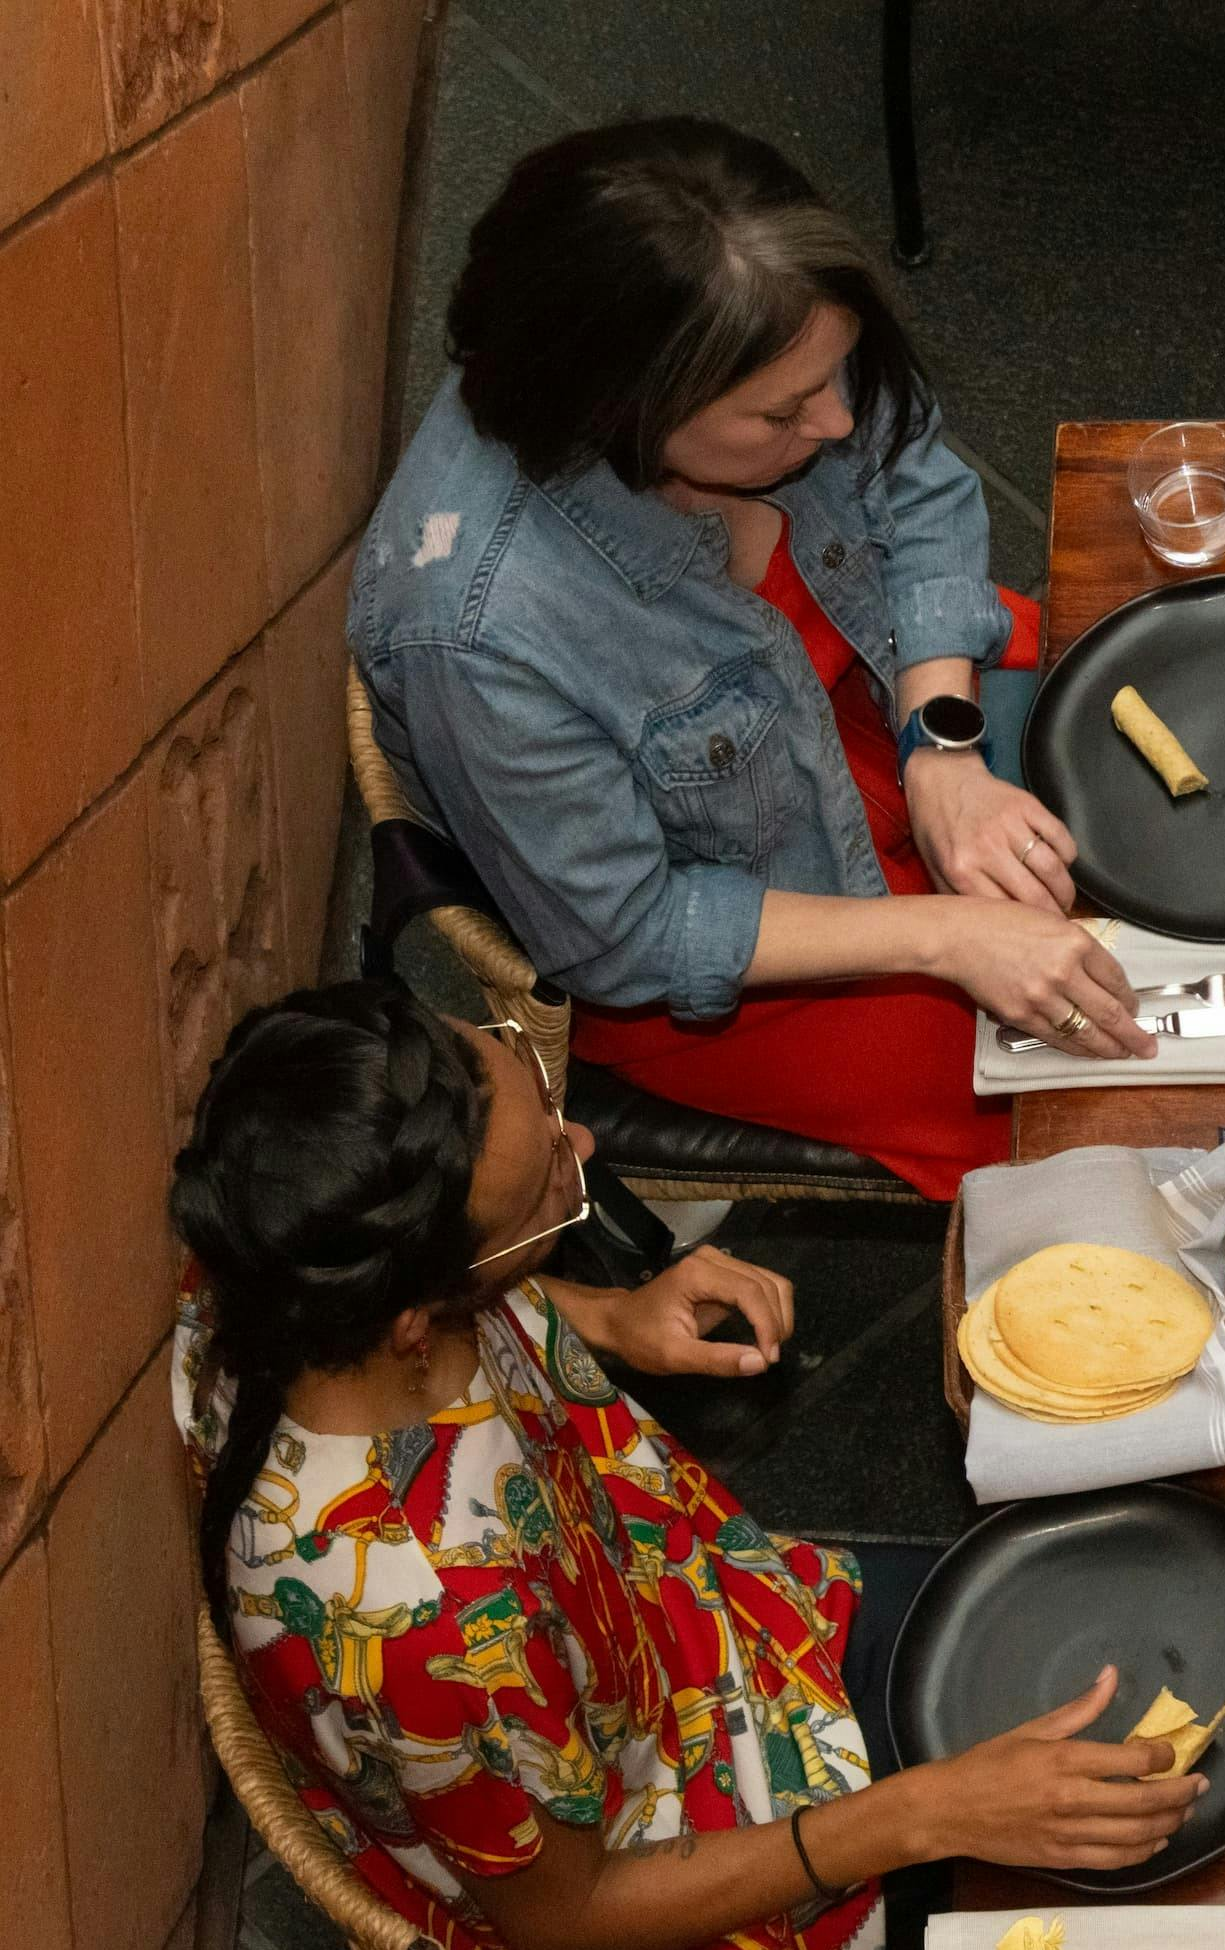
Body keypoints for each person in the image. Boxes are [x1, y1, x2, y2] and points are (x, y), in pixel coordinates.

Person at [171, 984, 1201, 1950]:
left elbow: (454, 1277)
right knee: (1132, 1919)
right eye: (545, 1188)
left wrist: (604, 1316)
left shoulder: (278, 1251)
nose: (581, 1143)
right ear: (417, 1315)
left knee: (1120, 1629)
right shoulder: (422, 1627)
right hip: (666, 1874)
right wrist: (925, 1814)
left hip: (706, 1622)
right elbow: (571, 1927)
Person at [350, 119, 1159, 1201]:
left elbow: (915, 483)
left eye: (838, 374)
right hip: (741, 918)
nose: (839, 419)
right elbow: (628, 932)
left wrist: (941, 747)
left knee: (1191, 838)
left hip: (872, 673)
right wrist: (946, 935)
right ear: (625, 409)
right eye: (783, 412)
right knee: (1100, 1100)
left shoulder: (775, 332)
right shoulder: (477, 638)